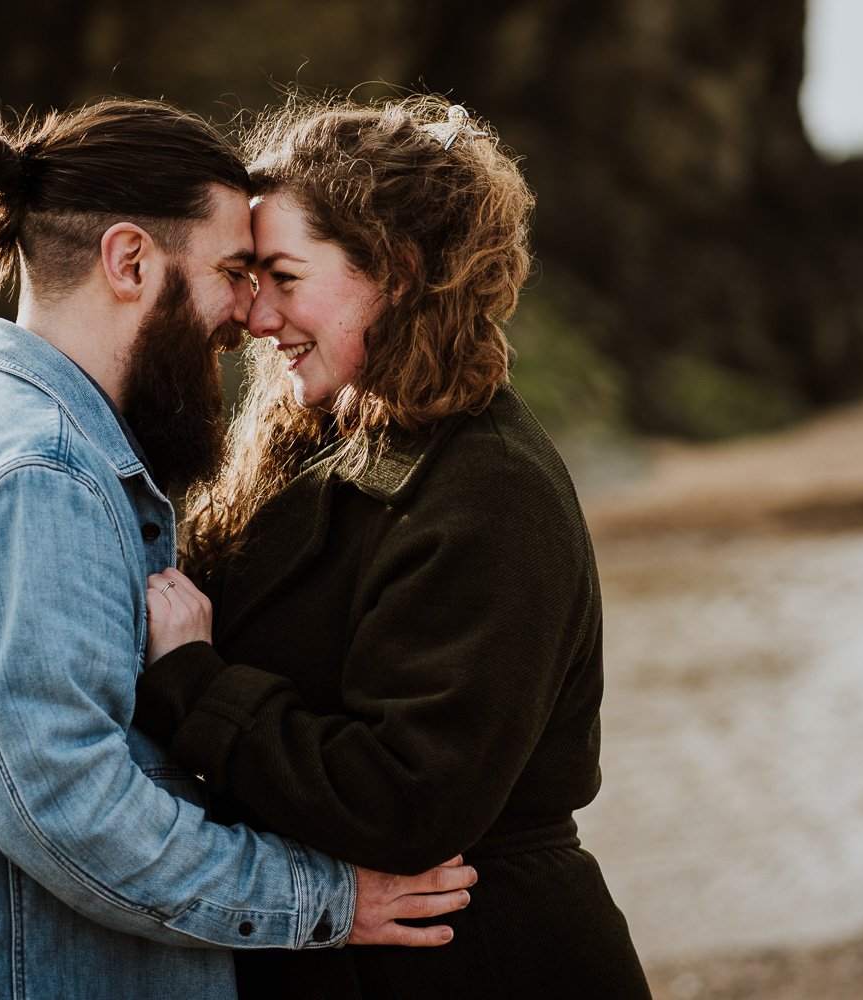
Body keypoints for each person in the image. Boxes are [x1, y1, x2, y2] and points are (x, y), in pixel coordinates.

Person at [0, 97, 477, 1000]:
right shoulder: (40, 476)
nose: (249, 313)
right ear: (130, 260)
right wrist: (326, 900)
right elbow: (70, 810)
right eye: (235, 271)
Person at [134, 95, 653, 999]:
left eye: (286, 278)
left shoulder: (494, 490)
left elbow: (408, 796)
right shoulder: (317, 435)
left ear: (400, 272)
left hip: (484, 959)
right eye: (252, 279)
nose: (258, 318)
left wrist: (194, 678)